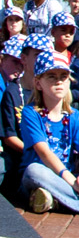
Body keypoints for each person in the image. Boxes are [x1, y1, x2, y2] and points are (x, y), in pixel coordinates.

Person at [19, 51, 79, 215]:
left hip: (69, 178)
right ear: (38, 83)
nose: (59, 81)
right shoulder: (30, 113)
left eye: (64, 76)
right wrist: (72, 181)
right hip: (45, 176)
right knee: (34, 170)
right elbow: (44, 153)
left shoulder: (74, 116)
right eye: (51, 76)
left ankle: (57, 201)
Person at [1, 35, 31, 208]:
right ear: (2, 59)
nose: (19, 67)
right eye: (14, 61)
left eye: (21, 63)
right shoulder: (10, 90)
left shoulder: (19, 86)